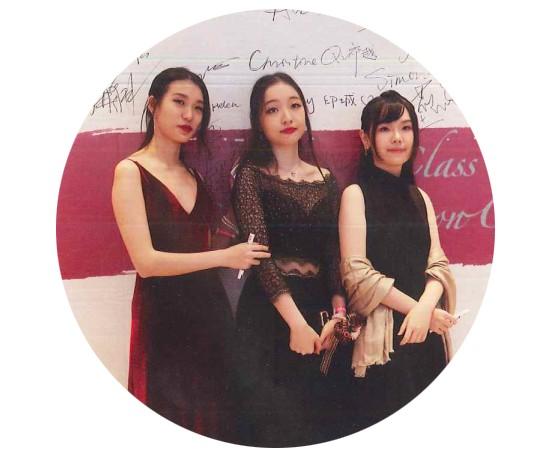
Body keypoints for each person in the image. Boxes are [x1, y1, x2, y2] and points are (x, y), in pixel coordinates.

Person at [111, 67, 270, 442]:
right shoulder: (130, 171)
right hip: (163, 317)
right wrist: (223, 258)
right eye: (179, 102)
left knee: (218, 422)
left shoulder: (194, 175)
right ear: (153, 105)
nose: (189, 115)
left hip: (211, 314)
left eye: (198, 108)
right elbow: (146, 263)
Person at [232, 72, 355, 447]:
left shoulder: (326, 179)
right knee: (273, 425)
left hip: (321, 314)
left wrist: (338, 314)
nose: (287, 116)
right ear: (258, 121)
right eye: (273, 109)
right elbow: (260, 256)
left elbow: (333, 253)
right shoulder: (251, 176)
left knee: (321, 423)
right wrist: (297, 325)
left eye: (295, 105)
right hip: (269, 314)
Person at [338, 90, 457, 424]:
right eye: (385, 128)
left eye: (405, 128)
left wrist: (425, 310)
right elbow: (356, 274)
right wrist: (417, 312)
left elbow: (438, 265)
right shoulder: (355, 195)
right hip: (384, 341)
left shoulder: (421, 197)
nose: (397, 137)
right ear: (366, 138)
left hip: (427, 332)